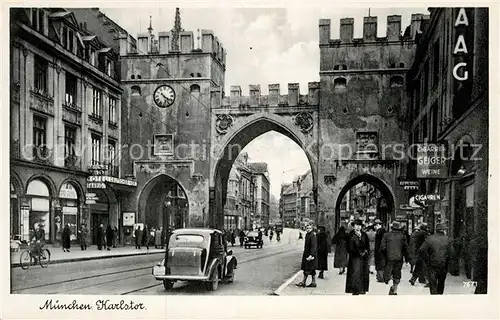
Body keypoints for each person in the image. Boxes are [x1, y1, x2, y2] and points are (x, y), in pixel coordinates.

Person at [419, 224, 458, 295]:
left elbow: (421, 250)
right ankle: (440, 296)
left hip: (432, 264)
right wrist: (449, 262)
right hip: (443, 264)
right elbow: (452, 253)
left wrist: (427, 259)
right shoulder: (448, 239)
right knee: (441, 282)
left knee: (432, 282)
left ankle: (434, 297)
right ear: (443, 231)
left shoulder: (429, 238)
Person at [380, 221, 409, 295]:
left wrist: (385, 255)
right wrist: (406, 259)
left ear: (391, 227)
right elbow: (405, 248)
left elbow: (382, 248)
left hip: (389, 258)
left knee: (387, 274)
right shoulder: (403, 236)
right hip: (399, 258)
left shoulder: (386, 235)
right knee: (397, 273)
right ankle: (395, 289)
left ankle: (391, 286)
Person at [345, 219, 370, 295]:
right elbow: (349, 247)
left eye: (359, 226)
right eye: (356, 226)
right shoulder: (350, 235)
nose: (358, 227)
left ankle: (362, 289)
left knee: (363, 273)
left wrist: (365, 251)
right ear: (353, 226)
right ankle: (355, 289)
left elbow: (367, 245)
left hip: (363, 258)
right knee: (355, 273)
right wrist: (357, 252)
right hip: (354, 257)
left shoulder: (364, 235)